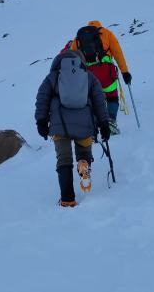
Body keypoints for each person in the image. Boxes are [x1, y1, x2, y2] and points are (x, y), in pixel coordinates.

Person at [35, 49, 111, 207]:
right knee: (84, 152)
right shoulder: (89, 77)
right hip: (85, 123)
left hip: (59, 124)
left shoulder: (53, 77)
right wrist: (103, 123)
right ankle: (84, 163)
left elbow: (42, 98)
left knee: (64, 160)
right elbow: (99, 100)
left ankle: (68, 200)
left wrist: (41, 121)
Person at [69, 20, 132, 134]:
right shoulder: (107, 33)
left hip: (88, 74)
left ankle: (93, 126)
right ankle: (111, 121)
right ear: (99, 25)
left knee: (93, 99)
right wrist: (125, 72)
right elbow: (118, 53)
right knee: (111, 97)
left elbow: (72, 57)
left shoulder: (78, 38)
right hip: (106, 72)